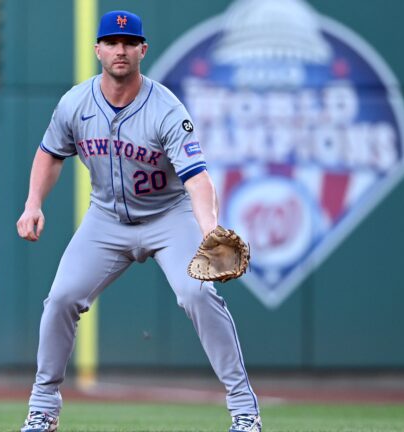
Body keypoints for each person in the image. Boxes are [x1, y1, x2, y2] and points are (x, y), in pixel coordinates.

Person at [16, 10, 261, 432]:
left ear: (143, 50)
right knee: (60, 299)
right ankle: (42, 409)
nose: (120, 49)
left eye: (129, 43)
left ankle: (244, 410)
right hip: (106, 220)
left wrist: (208, 230)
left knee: (198, 296)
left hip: (169, 217)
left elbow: (197, 178)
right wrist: (33, 203)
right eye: (111, 42)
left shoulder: (166, 108)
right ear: (98, 50)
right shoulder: (75, 103)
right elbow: (49, 153)